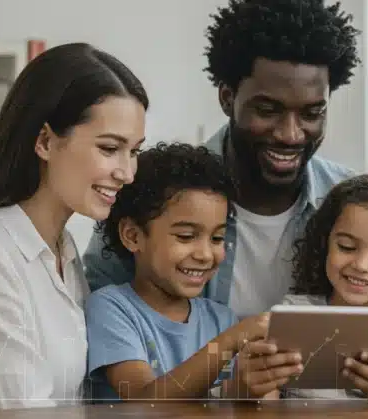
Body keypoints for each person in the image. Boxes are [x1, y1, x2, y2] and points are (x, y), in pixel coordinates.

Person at [83, 0, 360, 320]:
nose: (290, 134)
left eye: (312, 114)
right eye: (267, 110)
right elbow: (100, 312)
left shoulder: (351, 202)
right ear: (227, 98)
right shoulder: (149, 190)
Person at [0, 42, 148, 414]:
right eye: (110, 148)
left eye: (134, 151)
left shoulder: (64, 251)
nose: (127, 173)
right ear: (45, 141)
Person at [85, 142, 280, 402]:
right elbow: (145, 403)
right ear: (133, 236)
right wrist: (230, 341)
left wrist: (254, 388)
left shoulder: (221, 319)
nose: (205, 254)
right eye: (186, 236)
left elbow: (240, 403)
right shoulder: (111, 308)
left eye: (217, 238)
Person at [236, 173, 368, 401]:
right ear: (324, 243)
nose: (361, 265)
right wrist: (254, 383)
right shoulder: (294, 313)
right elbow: (265, 401)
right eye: (346, 247)